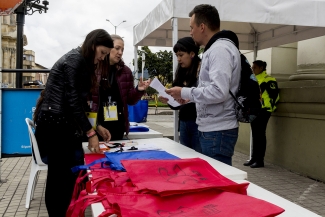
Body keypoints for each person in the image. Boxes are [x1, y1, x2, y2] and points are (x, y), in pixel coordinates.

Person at [34, 29, 113, 216]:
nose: (102, 58)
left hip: (61, 124)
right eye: (102, 53)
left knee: (68, 177)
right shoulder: (74, 60)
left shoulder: (79, 60)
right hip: (56, 126)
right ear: (93, 45)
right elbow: (73, 101)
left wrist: (95, 126)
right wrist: (91, 133)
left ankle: (66, 212)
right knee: (59, 179)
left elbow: (78, 103)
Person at [165, 4, 241, 166]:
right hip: (214, 128)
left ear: (202, 26)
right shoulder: (216, 48)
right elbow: (213, 90)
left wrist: (185, 92)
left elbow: (218, 92)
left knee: (216, 182)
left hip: (217, 129)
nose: (190, 32)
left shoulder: (219, 49)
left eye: (191, 28)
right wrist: (189, 99)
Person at [91, 34, 151, 141]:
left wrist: (138, 90)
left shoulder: (126, 72)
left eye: (122, 49)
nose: (120, 52)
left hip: (117, 127)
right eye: (117, 48)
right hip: (97, 126)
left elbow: (130, 100)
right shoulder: (94, 69)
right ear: (108, 48)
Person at [159, 37, 202, 153]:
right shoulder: (181, 72)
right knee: (185, 157)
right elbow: (177, 105)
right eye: (177, 55)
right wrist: (168, 99)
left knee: (199, 159)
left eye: (181, 55)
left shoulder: (202, 71)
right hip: (183, 122)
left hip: (199, 123)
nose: (178, 59)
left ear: (192, 53)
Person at [243, 60, 279, 168]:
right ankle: (254, 158)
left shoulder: (269, 80)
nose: (253, 69)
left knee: (260, 134)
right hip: (254, 110)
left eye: (255, 68)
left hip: (264, 110)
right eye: (252, 67)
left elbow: (275, 96)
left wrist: (271, 108)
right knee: (255, 134)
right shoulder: (253, 79)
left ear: (261, 68)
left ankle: (260, 160)